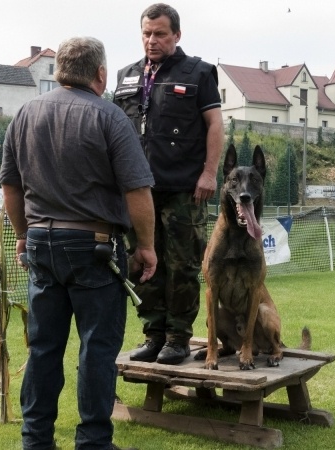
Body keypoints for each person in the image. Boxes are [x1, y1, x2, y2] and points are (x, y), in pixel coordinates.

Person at [0, 36, 156, 450]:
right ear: (101, 74)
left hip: (40, 245)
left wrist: (21, 236)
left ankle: (35, 441)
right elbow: (138, 192)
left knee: (44, 349)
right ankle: (93, 443)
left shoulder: (25, 115)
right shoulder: (110, 117)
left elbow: (11, 188)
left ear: (58, 72)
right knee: (97, 350)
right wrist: (147, 247)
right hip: (95, 248)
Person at [113, 3, 224, 365]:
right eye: (146, 33)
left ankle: (178, 337)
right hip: (137, 190)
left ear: (176, 34)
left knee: (182, 265)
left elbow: (215, 125)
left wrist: (209, 173)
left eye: (160, 34)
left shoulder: (199, 73)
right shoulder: (126, 75)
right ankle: (153, 334)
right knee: (144, 263)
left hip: (182, 189)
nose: (152, 40)